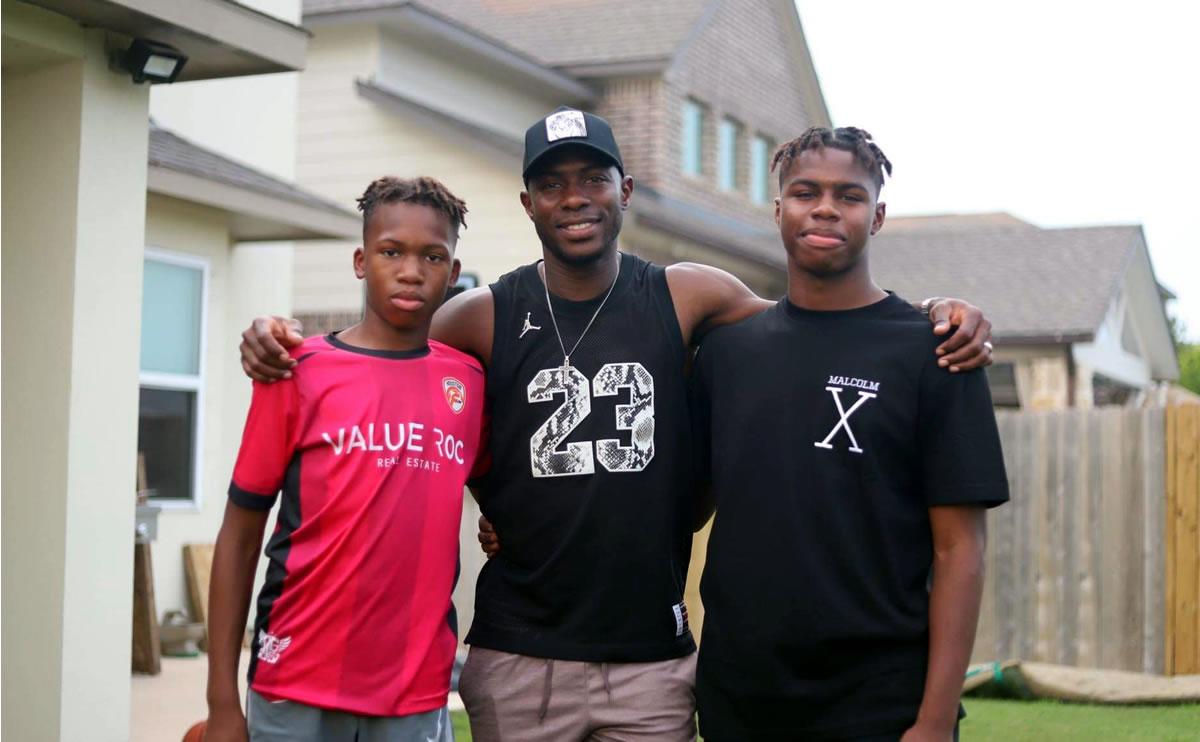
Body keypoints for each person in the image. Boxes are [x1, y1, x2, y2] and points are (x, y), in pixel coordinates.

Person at [238, 109, 995, 742]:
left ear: (624, 190)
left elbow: (819, 328)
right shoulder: (479, 317)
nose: (575, 198)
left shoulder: (693, 296)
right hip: (518, 648)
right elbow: (387, 368)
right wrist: (283, 341)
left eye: (593, 178)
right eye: (552, 183)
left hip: (650, 656)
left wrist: (937, 312)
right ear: (528, 201)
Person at [689, 127, 1010, 742]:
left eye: (850, 195)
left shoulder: (938, 353)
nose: (827, 208)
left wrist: (936, 719)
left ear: (879, 215)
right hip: (741, 695)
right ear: (779, 208)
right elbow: (683, 507)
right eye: (806, 192)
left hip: (879, 701)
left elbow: (960, 552)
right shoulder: (726, 353)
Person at [206, 177, 486, 742]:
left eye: (433, 256)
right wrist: (220, 702)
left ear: (453, 273)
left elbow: (498, 489)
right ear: (361, 261)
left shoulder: (469, 382)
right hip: (294, 683)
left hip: (415, 692)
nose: (411, 271)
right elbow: (239, 537)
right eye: (391, 252)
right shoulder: (296, 371)